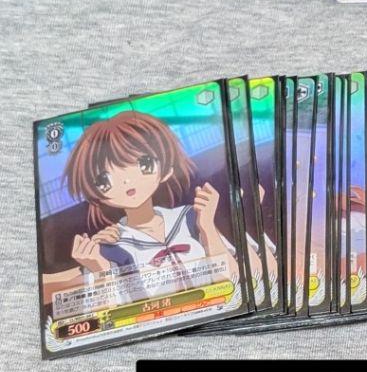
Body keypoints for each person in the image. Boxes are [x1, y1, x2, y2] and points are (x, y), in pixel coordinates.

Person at [41, 110, 238, 304]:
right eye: (104, 179)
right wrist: (99, 269)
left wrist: (207, 227)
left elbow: (234, 283)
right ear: (95, 194)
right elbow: (112, 315)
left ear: (166, 170)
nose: (127, 180)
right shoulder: (112, 246)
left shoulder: (190, 217)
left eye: (144, 164)